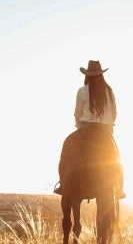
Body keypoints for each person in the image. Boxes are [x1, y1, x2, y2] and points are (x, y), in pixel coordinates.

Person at [54, 60, 126, 198]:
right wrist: (109, 125)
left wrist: (79, 127)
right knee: (117, 158)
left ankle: (63, 184)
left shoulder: (82, 91)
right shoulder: (109, 91)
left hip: (84, 127)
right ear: (101, 75)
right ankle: (119, 187)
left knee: (65, 155)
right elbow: (114, 113)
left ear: (87, 75)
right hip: (104, 129)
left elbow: (77, 113)